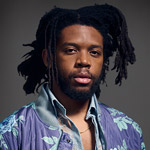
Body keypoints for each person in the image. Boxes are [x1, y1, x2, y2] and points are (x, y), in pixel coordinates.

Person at [0, 4, 145, 150]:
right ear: (48, 58)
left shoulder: (129, 130)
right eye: (71, 50)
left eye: (94, 52)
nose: (84, 61)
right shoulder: (12, 133)